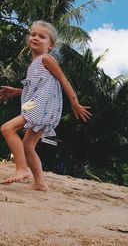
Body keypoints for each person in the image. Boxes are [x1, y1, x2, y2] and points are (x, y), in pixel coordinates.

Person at [0, 20, 91, 191]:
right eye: (33, 34)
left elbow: (64, 80)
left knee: (7, 129)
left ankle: (22, 168)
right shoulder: (33, 66)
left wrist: (75, 103)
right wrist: (17, 91)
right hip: (38, 105)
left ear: (51, 45)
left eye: (42, 36)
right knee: (27, 146)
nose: (35, 38)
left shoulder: (46, 59)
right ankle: (40, 183)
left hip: (41, 107)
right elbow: (38, 88)